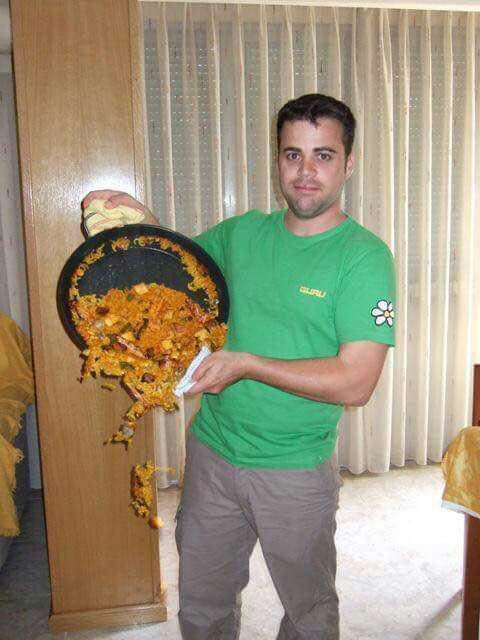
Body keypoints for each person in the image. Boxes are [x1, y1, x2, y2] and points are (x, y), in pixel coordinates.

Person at [82, 93, 396, 640]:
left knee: (309, 615)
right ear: (277, 161)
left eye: (323, 155)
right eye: (293, 154)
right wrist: (138, 219)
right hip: (213, 455)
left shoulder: (364, 257)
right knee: (203, 607)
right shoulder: (243, 233)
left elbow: (357, 381)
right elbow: (175, 270)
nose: (305, 172)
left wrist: (247, 364)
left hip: (295, 470)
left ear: (348, 163)